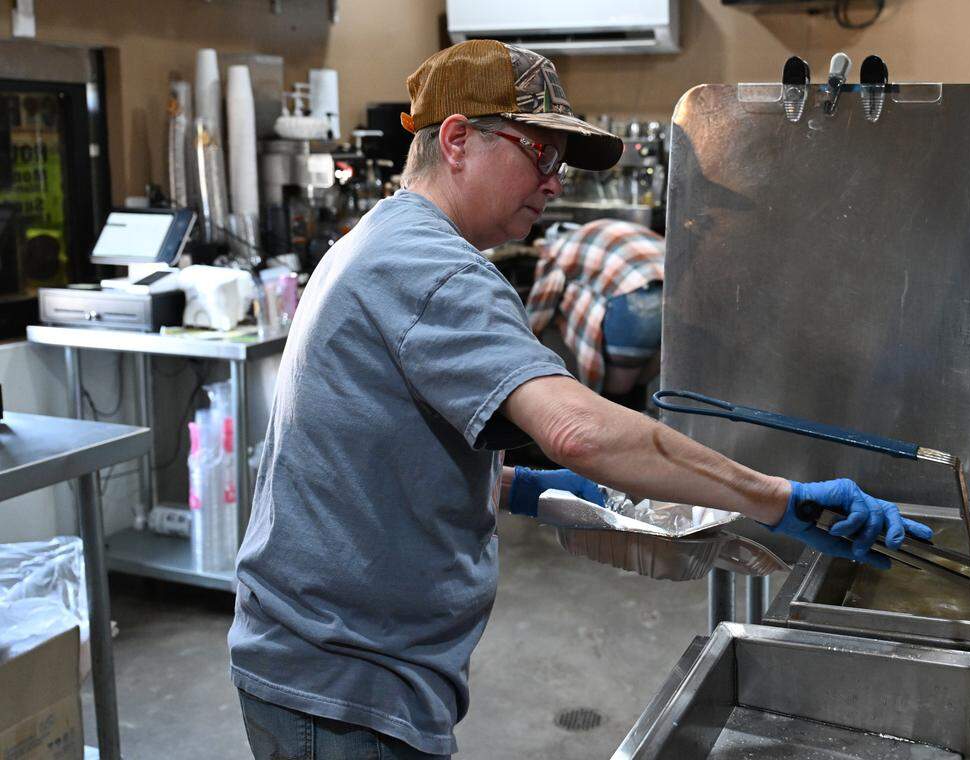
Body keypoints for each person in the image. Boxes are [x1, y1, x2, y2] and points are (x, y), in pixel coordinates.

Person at [228, 39, 932, 760]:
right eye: (540, 152)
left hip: (314, 660)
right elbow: (575, 430)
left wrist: (516, 487)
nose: (555, 181)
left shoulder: (375, 240)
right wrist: (776, 498)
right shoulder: (433, 267)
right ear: (459, 138)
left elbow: (371, 447)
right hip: (346, 682)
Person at [527, 219, 665, 398]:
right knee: (638, 393)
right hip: (673, 297)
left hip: (634, 301)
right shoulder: (598, 228)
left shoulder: (557, 250)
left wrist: (529, 348)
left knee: (615, 401)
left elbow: (539, 309)